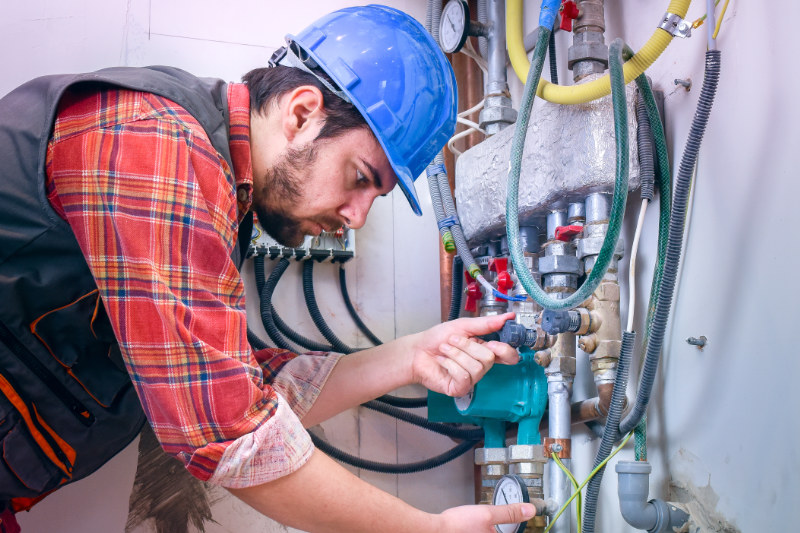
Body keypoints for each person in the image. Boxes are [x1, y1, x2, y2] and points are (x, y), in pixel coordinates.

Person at [0, 5, 535, 532]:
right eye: (359, 177)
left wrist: (412, 357)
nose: (355, 216)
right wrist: (427, 530)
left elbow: (229, 385)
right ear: (303, 113)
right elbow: (226, 431)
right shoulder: (158, 146)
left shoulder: (215, 191)